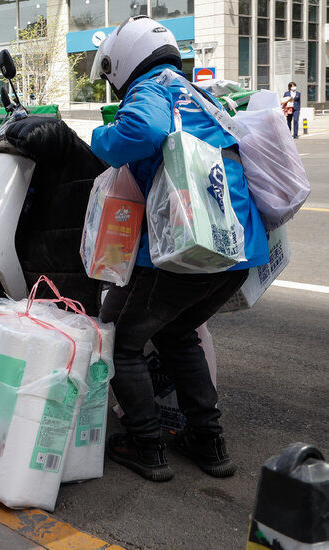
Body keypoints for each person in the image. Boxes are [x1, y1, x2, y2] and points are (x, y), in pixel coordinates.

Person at [90, 15, 269, 482]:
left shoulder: (151, 88)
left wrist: (98, 141)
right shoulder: (197, 94)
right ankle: (209, 443)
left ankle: (146, 445)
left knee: (117, 336)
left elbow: (141, 132)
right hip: (236, 247)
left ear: (125, 60)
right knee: (175, 333)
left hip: (186, 247)